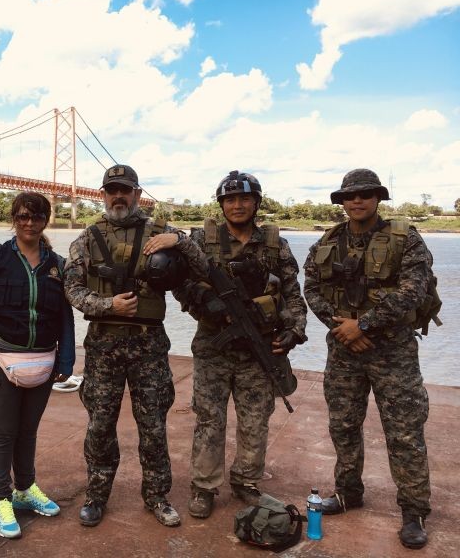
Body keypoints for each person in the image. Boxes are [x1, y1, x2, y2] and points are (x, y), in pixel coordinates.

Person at [63, 164, 208, 528]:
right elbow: (72, 289)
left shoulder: (162, 233)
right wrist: (106, 306)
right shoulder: (87, 238)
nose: (118, 196)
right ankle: (96, 496)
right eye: (112, 190)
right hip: (103, 346)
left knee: (154, 426)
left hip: (148, 346)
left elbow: (204, 268)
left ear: (137, 194)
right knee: (99, 425)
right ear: (103, 194)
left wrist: (182, 241)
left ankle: (157, 497)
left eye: (125, 190)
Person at [303, 168, 432, 550]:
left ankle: (414, 511)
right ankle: (347, 493)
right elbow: (311, 287)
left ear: (378, 198)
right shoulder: (327, 241)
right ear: (341, 201)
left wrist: (365, 326)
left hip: (394, 352)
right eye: (350, 196)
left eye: (365, 194)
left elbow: (414, 290)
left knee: (405, 433)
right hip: (344, 351)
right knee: (343, 425)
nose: (357, 201)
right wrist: (342, 327)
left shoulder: (405, 238)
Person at [173, 170, 307, 520]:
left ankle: (246, 481)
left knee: (256, 419)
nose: (237, 205)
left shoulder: (275, 244)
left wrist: (293, 332)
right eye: (230, 199)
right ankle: (203, 486)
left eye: (245, 198)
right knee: (209, 420)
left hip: (258, 348)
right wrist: (205, 303)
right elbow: (180, 284)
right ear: (221, 204)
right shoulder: (202, 240)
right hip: (214, 347)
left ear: (256, 203)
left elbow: (293, 294)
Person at [0, 192, 76, 539]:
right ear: (14, 218)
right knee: (3, 432)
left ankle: (25, 489)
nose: (29, 223)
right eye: (23, 216)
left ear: (45, 220)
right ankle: (0, 500)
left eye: (37, 217)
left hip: (43, 360)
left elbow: (66, 316)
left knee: (28, 431)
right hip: (0, 358)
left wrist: (67, 357)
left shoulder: (58, 264)